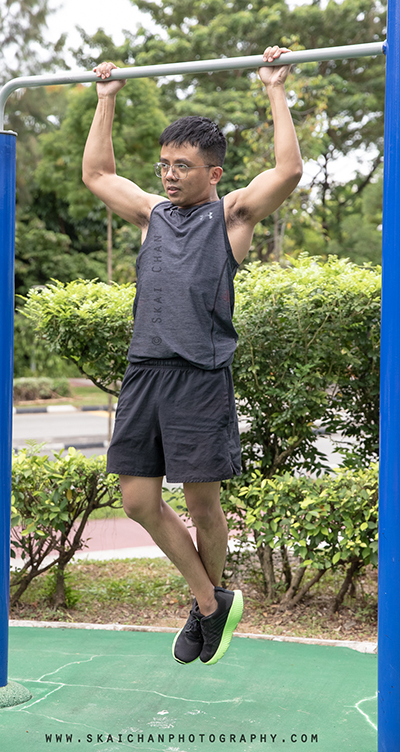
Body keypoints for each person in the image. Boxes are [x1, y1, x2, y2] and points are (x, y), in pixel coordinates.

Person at [82, 46, 302, 666]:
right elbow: (97, 174)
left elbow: (287, 170)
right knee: (137, 501)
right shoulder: (152, 216)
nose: (169, 175)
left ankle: (203, 606)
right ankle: (211, 602)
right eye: (164, 164)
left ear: (212, 172)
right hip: (144, 372)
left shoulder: (230, 216)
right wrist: (106, 100)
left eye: (183, 165)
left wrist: (274, 89)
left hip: (199, 378)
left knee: (204, 506)